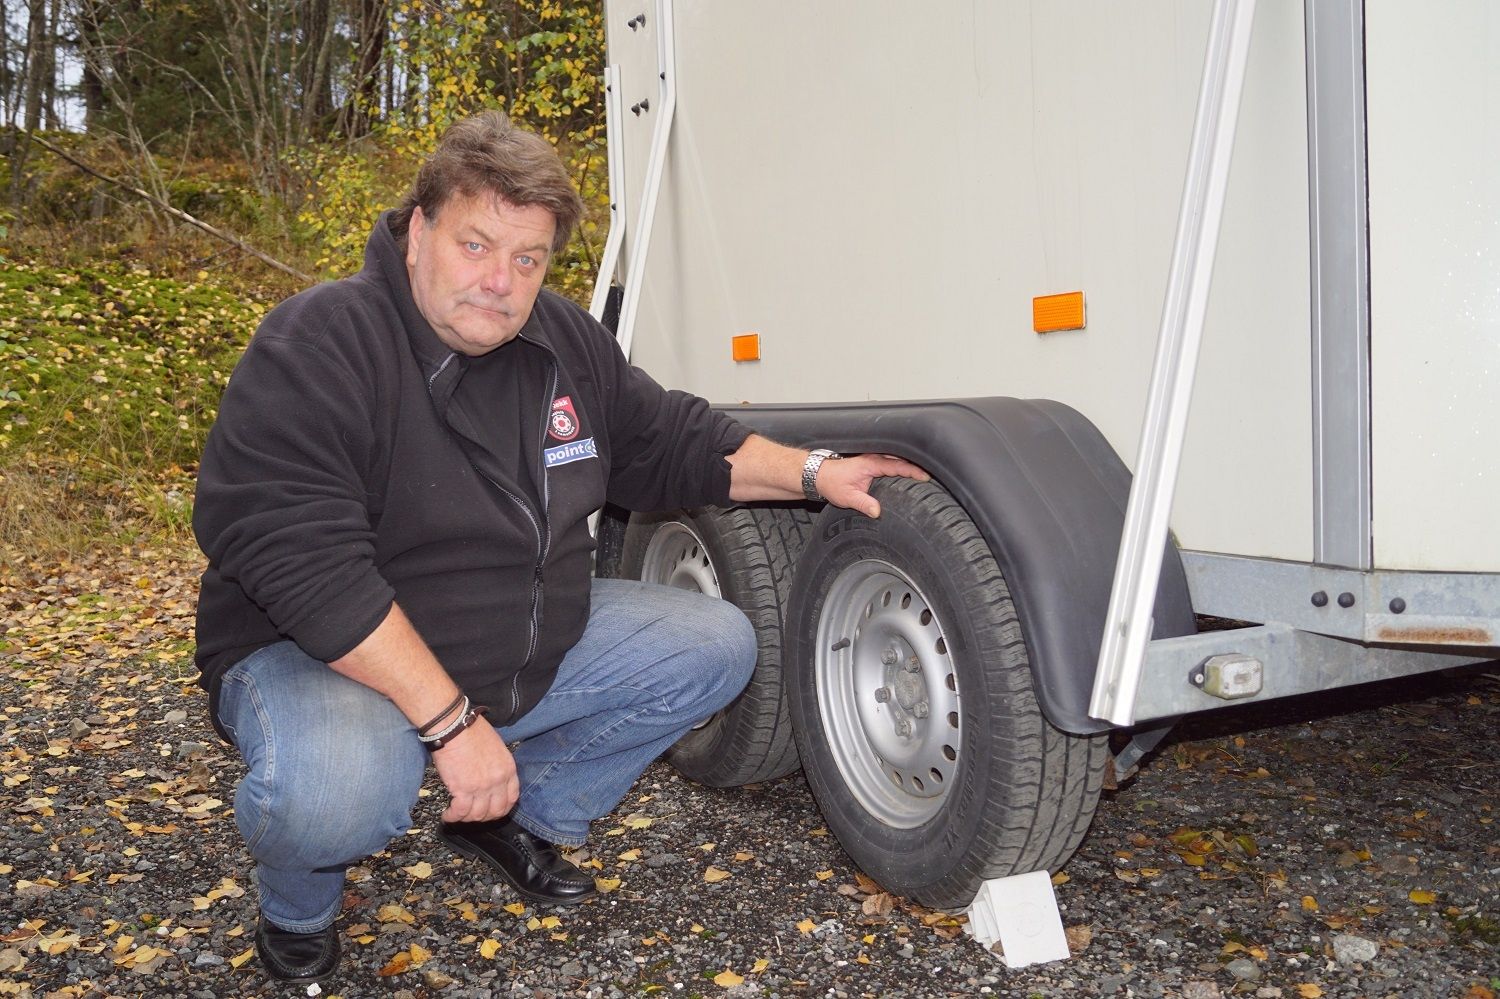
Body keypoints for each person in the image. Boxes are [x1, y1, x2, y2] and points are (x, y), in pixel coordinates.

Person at [192, 110, 927, 985]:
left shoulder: (563, 342)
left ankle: (511, 814)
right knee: (336, 787)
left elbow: (674, 440)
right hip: (323, 656)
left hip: (504, 641)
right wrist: (453, 726)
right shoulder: (319, 343)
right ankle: (298, 906)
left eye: (527, 259)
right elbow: (307, 569)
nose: (499, 282)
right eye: (475, 245)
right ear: (418, 231)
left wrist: (816, 473)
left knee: (712, 642)